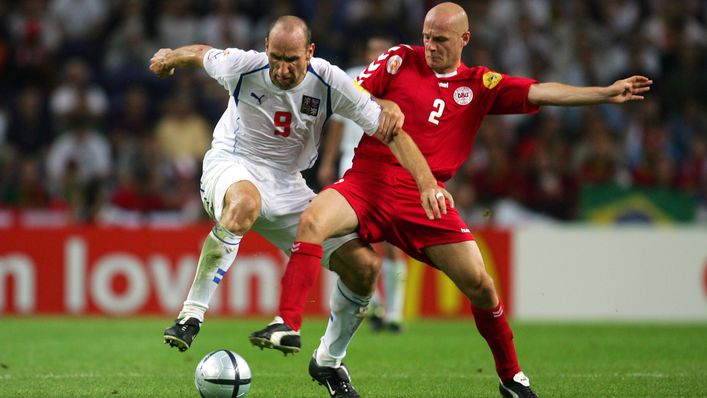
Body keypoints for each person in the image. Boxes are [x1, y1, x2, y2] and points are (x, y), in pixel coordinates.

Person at [250, 3, 653, 398]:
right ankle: (287, 323)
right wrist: (382, 103)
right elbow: (352, 95)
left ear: (464, 39)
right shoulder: (397, 60)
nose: (430, 45)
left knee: (480, 285)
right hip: (368, 182)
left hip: (426, 200)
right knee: (313, 221)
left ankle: (512, 378)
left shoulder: (480, 84)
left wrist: (602, 92)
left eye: (440, 39)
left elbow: (541, 91)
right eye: (426, 36)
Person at [148, 14, 449, 389]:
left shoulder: (329, 81)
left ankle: (328, 361)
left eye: (292, 59)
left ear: (310, 53)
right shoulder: (243, 66)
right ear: (265, 49)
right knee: (244, 205)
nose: (283, 68)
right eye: (276, 57)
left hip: (289, 185)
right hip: (232, 163)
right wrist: (169, 56)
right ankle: (190, 315)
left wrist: (426, 184)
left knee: (365, 268)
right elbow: (202, 53)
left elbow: (392, 132)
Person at [317, 36, 408, 333]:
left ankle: (394, 314)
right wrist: (329, 162)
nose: (376, 57)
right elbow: (337, 126)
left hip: (389, 170)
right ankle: (375, 305)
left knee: (392, 241)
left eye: (381, 53)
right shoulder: (353, 78)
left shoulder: (402, 86)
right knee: (352, 237)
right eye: (371, 51)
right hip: (352, 166)